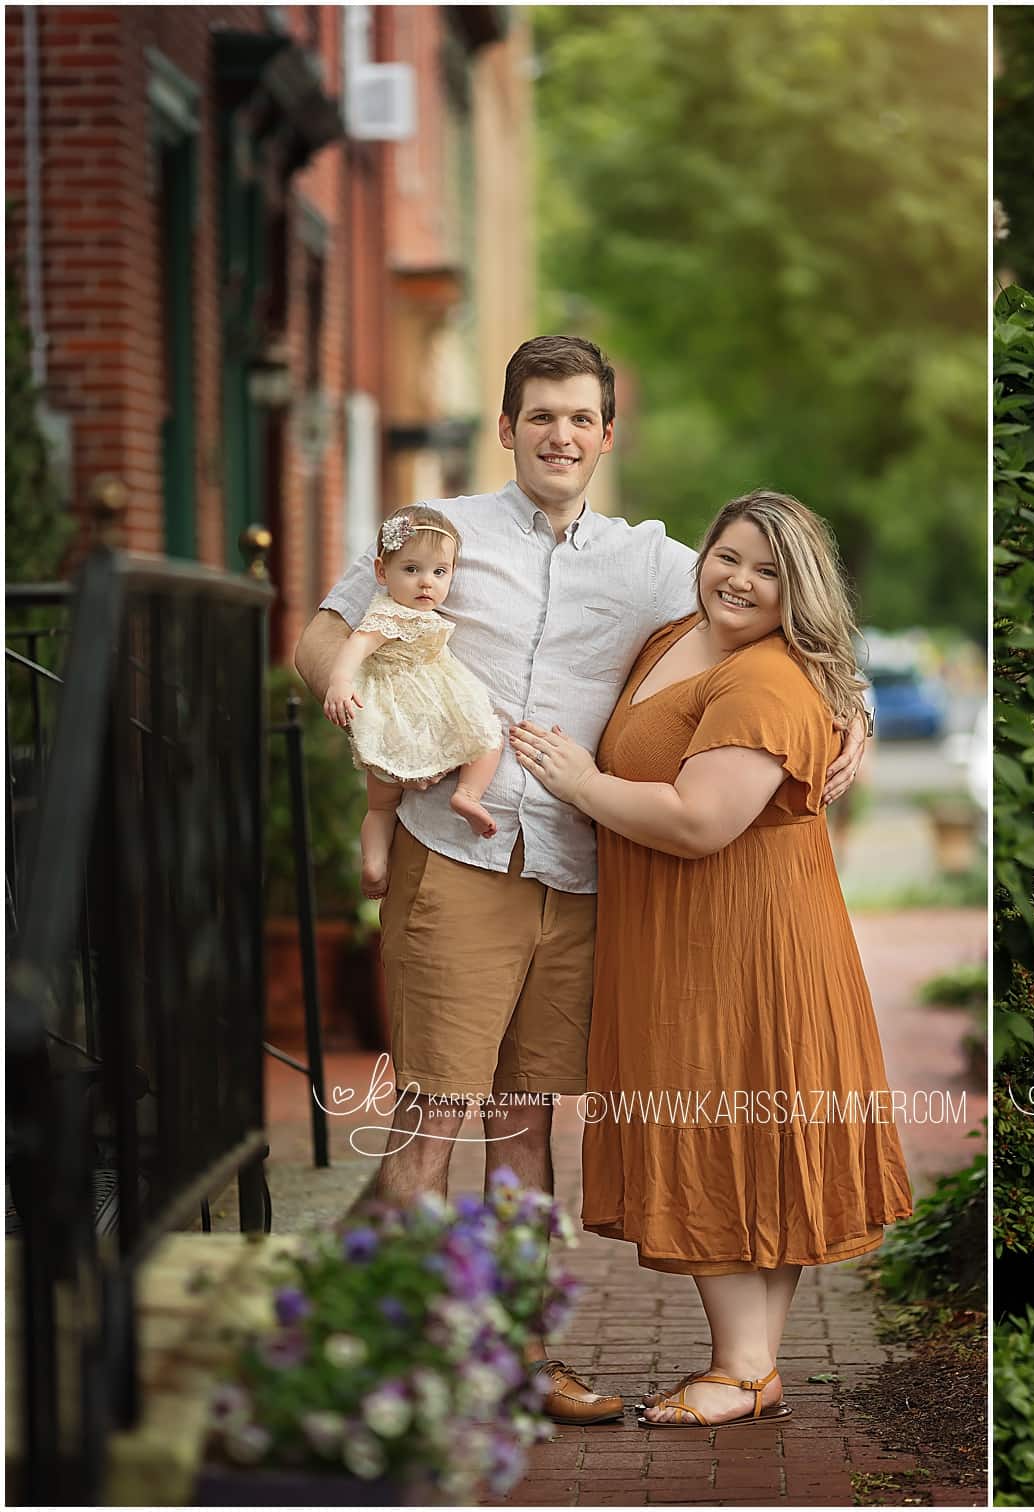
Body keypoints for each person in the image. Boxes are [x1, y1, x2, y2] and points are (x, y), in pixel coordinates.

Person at [293, 336, 868, 1426]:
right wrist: (377, 714)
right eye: (540, 415)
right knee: (432, 1114)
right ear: (507, 427)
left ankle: (517, 1356)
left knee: (521, 1124)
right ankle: (340, 1350)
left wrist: (859, 713)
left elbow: (783, 618)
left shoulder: (651, 560)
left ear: (607, 435)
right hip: (458, 857)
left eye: (581, 418)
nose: (560, 435)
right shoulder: (437, 535)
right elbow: (323, 636)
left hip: (577, 871)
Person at [508, 489, 914, 1429]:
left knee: (724, 1128)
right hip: (703, 934)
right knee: (749, 1133)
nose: (740, 579)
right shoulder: (680, 636)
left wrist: (581, 781)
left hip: (738, 942)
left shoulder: (765, 678)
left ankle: (737, 1367)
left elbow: (699, 822)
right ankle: (754, 1367)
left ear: (798, 590)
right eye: (728, 556)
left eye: (768, 571)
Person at [320, 506, 506, 899]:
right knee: (487, 736)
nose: (426, 583)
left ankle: (376, 862)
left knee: (382, 806)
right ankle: (465, 796)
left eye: (440, 572)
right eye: (411, 570)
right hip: (413, 704)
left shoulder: (408, 609)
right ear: (381, 573)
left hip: (409, 710)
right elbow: (358, 643)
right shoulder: (390, 614)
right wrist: (338, 681)